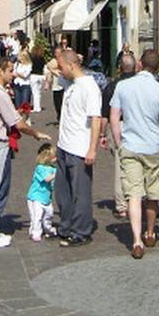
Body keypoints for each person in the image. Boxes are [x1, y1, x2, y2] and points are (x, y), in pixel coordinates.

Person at [0, 55, 51, 248]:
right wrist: (35, 133)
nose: (12, 74)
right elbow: (17, 122)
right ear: (0, 71)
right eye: (9, 70)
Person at [110, 49, 159, 260]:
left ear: (139, 64)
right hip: (153, 146)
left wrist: (119, 142)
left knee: (134, 194)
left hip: (130, 145)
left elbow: (114, 117)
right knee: (153, 193)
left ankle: (136, 240)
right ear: (157, 67)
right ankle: (150, 232)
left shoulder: (123, 86)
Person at [55, 49, 103, 247]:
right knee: (62, 191)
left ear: (72, 66)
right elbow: (52, 68)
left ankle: (81, 230)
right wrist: (64, 58)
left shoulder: (89, 87)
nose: (60, 71)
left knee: (80, 192)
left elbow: (96, 119)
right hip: (63, 144)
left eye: (62, 67)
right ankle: (65, 226)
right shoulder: (70, 82)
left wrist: (92, 149)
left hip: (79, 147)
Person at [100, 52, 138, 218]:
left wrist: (102, 134)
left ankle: (122, 205)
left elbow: (105, 114)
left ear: (119, 68)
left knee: (120, 165)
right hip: (137, 125)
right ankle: (135, 200)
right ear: (136, 67)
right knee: (138, 164)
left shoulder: (112, 86)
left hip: (118, 125)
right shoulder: (140, 85)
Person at [27, 143, 57, 242]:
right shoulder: (40, 168)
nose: (56, 159)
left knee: (49, 213)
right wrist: (57, 173)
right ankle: (35, 232)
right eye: (54, 157)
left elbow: (53, 184)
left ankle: (48, 228)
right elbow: (47, 179)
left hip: (46, 197)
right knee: (37, 216)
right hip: (35, 197)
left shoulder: (53, 169)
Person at [45, 47, 66, 122]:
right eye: (56, 53)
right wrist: (47, 83)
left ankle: (62, 118)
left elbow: (60, 73)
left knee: (63, 103)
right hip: (56, 85)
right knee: (56, 103)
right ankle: (59, 116)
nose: (57, 54)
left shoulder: (64, 61)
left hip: (63, 86)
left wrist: (52, 69)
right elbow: (48, 69)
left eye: (58, 53)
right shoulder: (53, 61)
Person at [29, 40, 45, 112]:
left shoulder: (32, 59)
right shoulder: (42, 59)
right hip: (41, 75)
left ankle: (36, 107)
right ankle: (38, 106)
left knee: (34, 92)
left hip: (33, 75)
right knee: (38, 92)